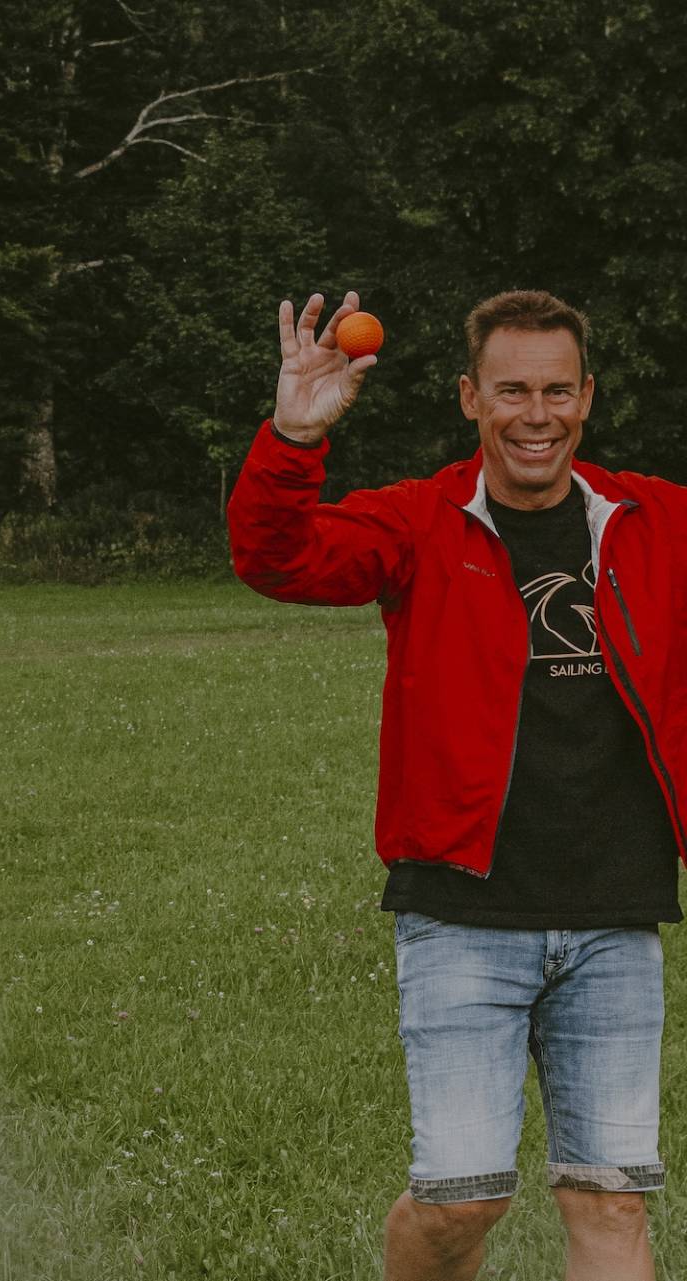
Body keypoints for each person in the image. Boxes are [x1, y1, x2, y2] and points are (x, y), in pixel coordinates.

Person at [228, 288, 681, 1281]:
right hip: (464, 913)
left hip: (616, 910)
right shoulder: (420, 523)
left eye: (558, 391)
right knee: (461, 1200)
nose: (536, 414)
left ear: (588, 397)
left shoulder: (655, 523)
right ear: (471, 397)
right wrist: (293, 438)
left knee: (611, 1196)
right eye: (512, 390)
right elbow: (276, 557)